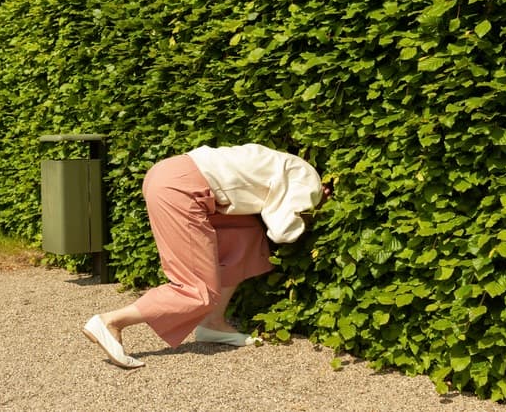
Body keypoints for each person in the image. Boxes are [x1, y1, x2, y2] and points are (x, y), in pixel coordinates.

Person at [82, 143, 332, 368]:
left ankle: (213, 323)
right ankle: (111, 321)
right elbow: (282, 231)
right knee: (197, 289)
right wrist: (314, 210)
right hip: (183, 190)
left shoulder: (289, 164)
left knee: (246, 236)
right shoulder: (308, 184)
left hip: (176, 175)